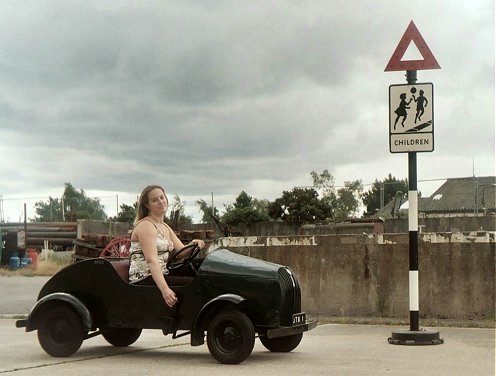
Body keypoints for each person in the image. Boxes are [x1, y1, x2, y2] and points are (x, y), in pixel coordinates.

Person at [128, 184, 205, 308]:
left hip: (163, 272)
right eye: (154, 200)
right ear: (147, 205)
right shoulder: (146, 226)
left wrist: (194, 244)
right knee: (194, 284)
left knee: (203, 266)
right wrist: (165, 290)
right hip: (145, 277)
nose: (160, 202)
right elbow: (151, 260)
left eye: (162, 197)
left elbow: (182, 253)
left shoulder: (164, 227)